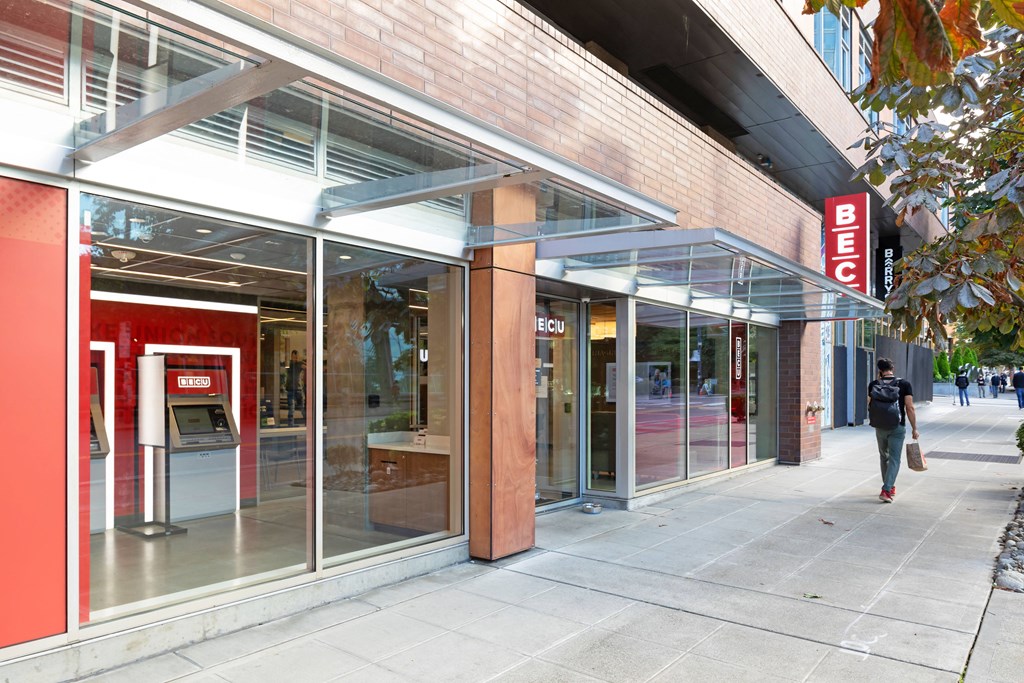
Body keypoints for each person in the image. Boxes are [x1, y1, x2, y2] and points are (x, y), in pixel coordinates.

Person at [867, 358, 918, 503]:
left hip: (879, 426)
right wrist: (914, 428)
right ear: (892, 368)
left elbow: (869, 404)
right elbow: (910, 407)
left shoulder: (874, 384)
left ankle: (889, 485)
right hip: (897, 426)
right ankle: (886, 489)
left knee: (884, 457)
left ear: (880, 370)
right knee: (895, 459)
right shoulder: (904, 384)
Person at [285, 350, 305, 426]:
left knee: (302, 408)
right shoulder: (288, 364)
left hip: (298, 389)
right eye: (293, 357)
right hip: (290, 389)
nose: (295, 358)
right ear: (291, 356)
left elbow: (309, 367)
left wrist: (300, 361)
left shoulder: (300, 364)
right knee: (291, 408)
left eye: (296, 357)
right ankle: (290, 425)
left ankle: (308, 423)